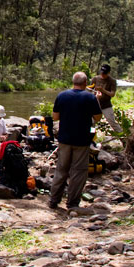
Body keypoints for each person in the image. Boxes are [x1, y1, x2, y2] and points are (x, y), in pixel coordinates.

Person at [49, 71, 102, 210]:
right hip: (82, 140)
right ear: (85, 83)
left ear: (73, 82)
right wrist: (98, 100)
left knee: (61, 169)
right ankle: (72, 203)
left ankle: (53, 200)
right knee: (78, 171)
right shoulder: (90, 97)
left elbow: (55, 117)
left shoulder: (62, 95)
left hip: (64, 139)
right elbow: (97, 118)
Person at [91, 64, 120, 132]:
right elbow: (90, 90)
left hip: (106, 105)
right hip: (95, 105)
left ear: (108, 73)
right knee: (91, 123)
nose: (103, 75)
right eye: (102, 73)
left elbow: (112, 94)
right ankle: (90, 137)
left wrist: (103, 90)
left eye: (105, 73)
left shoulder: (112, 81)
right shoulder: (95, 79)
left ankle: (123, 137)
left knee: (112, 122)